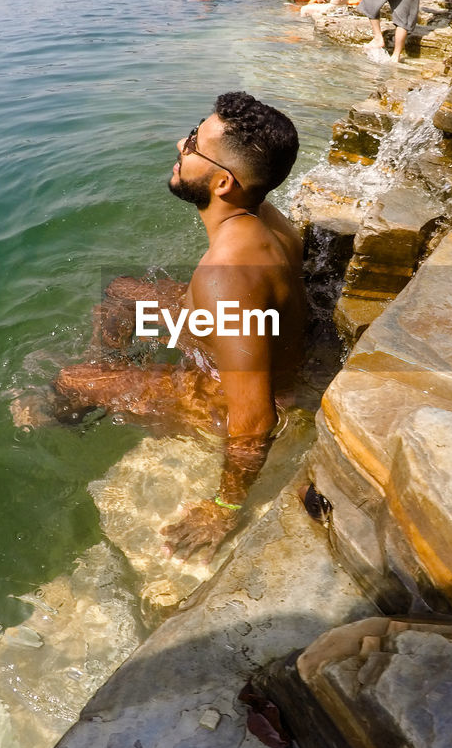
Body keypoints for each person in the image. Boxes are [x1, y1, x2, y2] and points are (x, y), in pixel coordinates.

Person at [15, 94, 306, 562]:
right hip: (239, 336)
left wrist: (225, 507)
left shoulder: (226, 276)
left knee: (70, 381)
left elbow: (252, 422)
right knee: (123, 290)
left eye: (193, 143)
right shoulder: (264, 217)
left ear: (223, 182)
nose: (179, 144)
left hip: (215, 394)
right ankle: (110, 371)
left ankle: (65, 412)